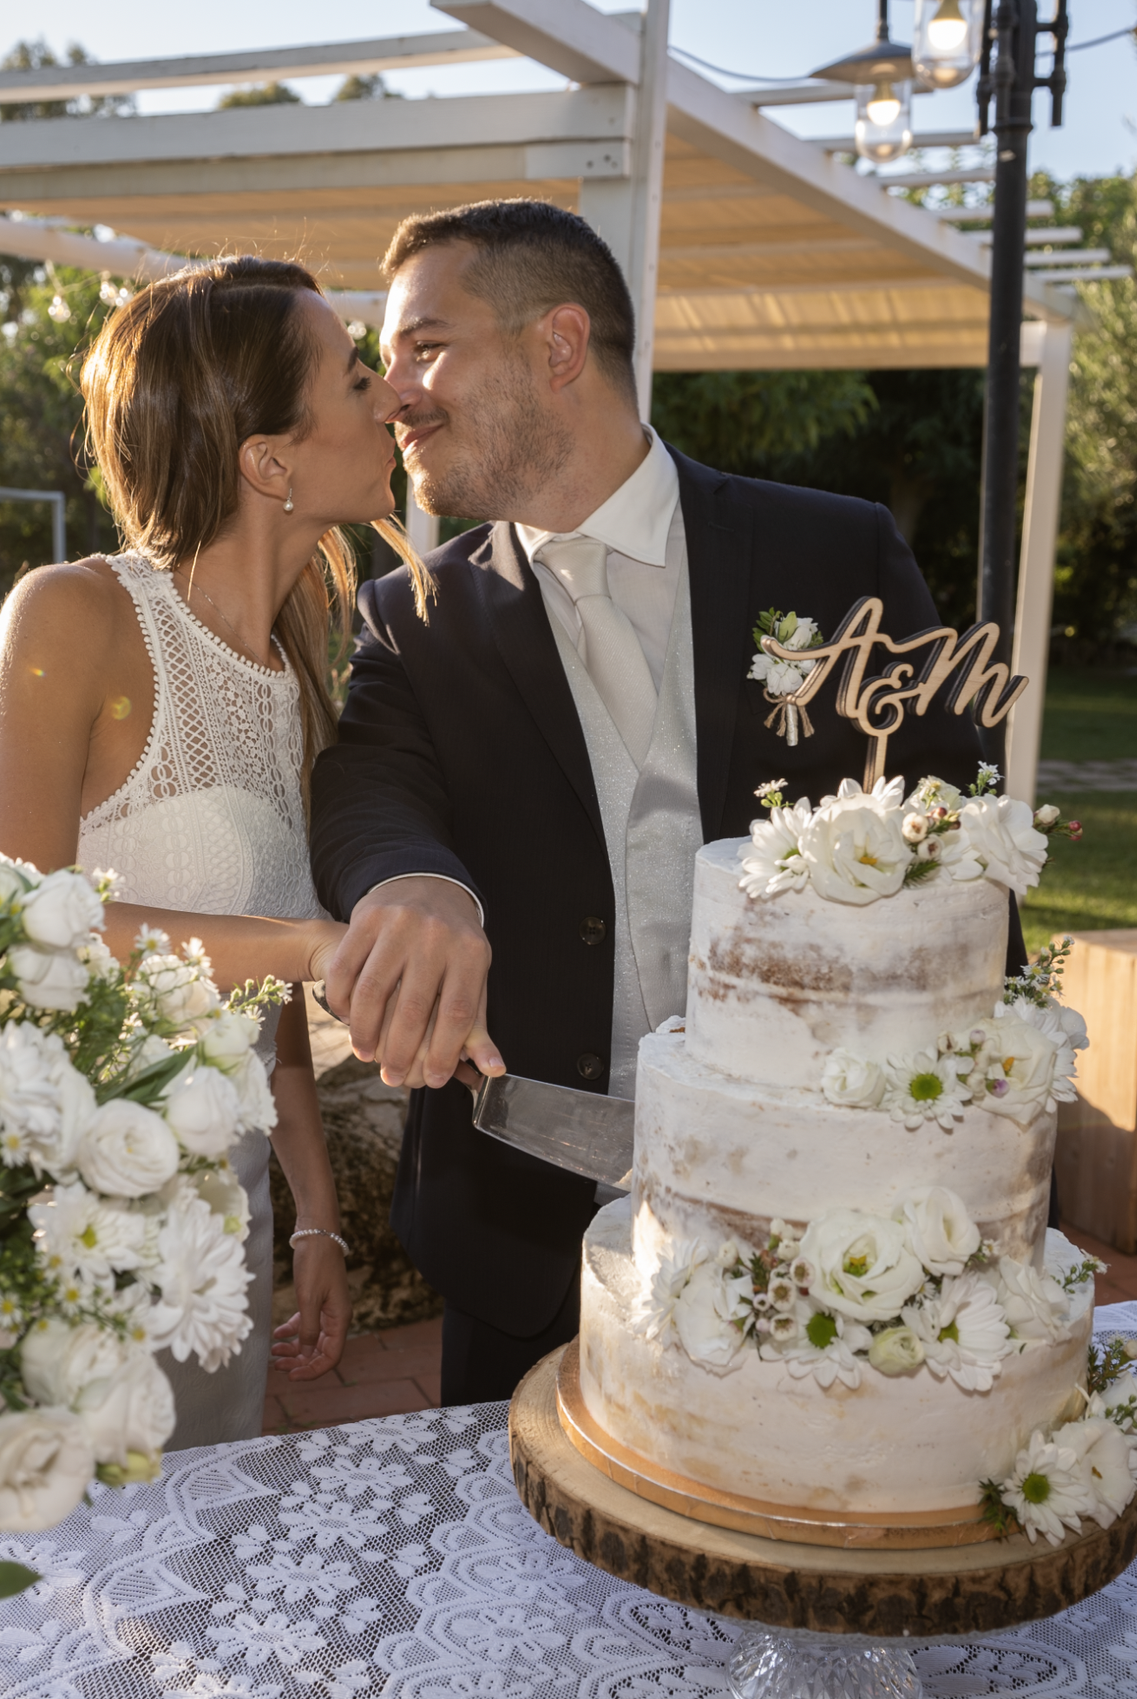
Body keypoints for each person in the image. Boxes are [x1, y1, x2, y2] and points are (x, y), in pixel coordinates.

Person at [309, 199, 994, 1408]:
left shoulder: (836, 557)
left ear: (557, 346)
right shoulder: (412, 614)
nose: (392, 392)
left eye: (425, 345)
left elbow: (953, 843)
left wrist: (978, 1138)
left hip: (820, 1213)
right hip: (522, 1233)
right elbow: (371, 790)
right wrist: (416, 881)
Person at [0, 256, 415, 1445]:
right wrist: (312, 942)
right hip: (77, 1222)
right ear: (269, 459)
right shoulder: (79, 615)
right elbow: (6, 918)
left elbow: (264, 999)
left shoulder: (298, 663)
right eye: (356, 375)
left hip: (229, 1220)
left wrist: (314, 1217)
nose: (389, 400)